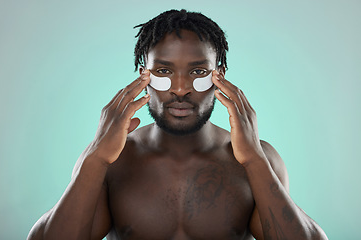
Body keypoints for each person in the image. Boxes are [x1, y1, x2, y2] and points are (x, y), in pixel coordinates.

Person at [28, 9, 328, 240]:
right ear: (143, 75)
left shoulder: (258, 160)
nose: (181, 88)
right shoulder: (109, 161)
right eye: (163, 71)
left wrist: (254, 160)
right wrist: (95, 159)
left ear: (218, 75)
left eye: (198, 70)